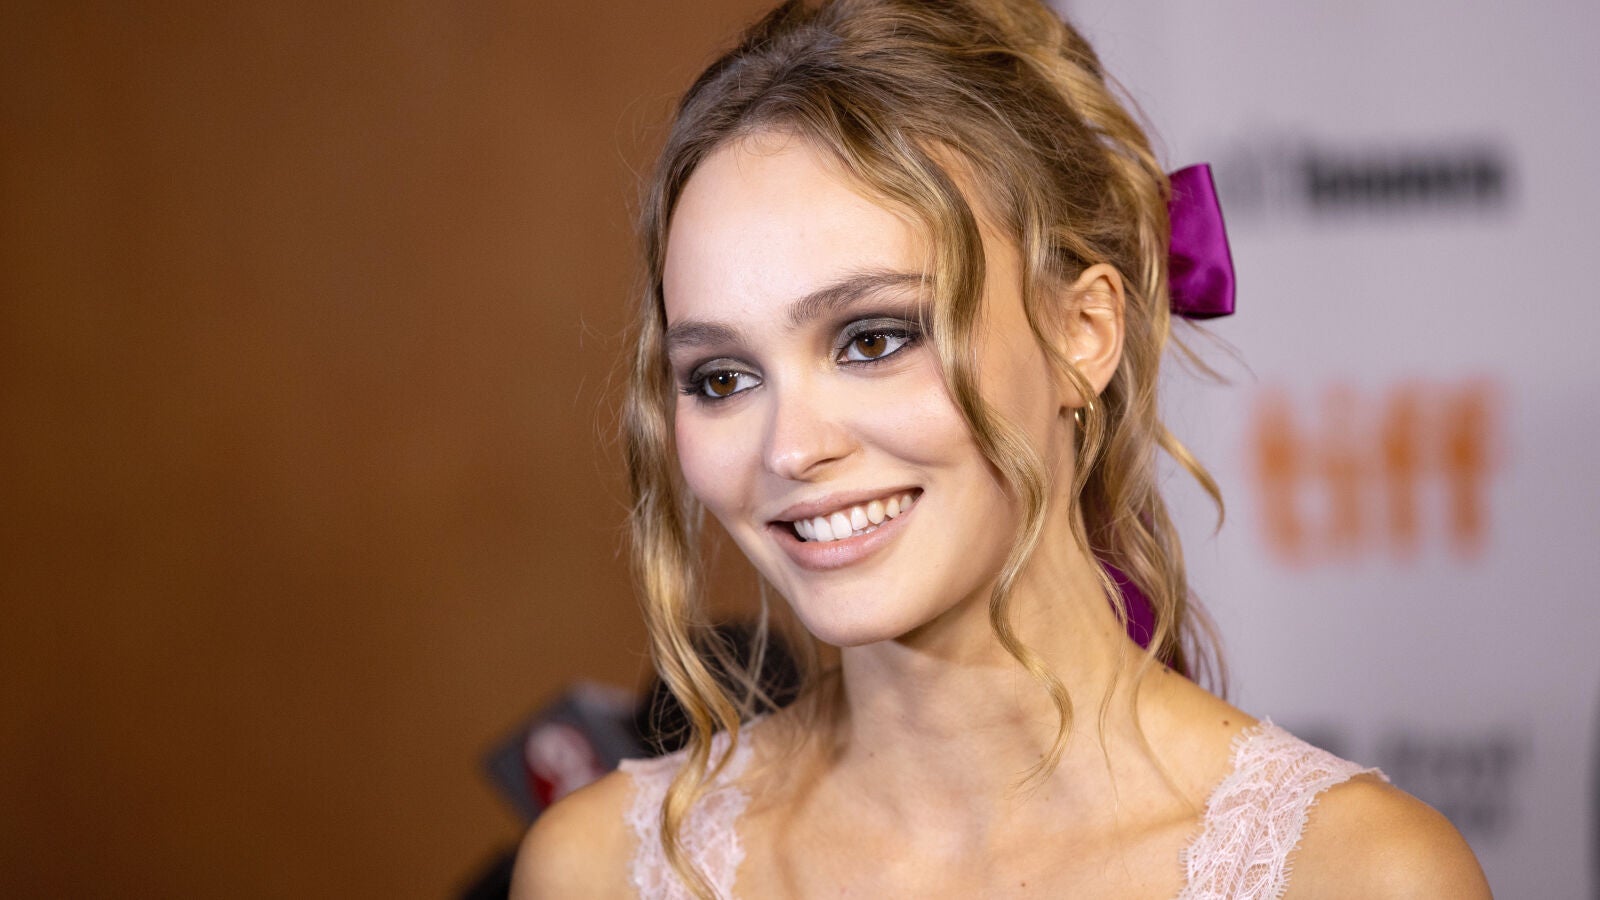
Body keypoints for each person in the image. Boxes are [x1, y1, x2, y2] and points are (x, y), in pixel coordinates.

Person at [512, 0, 1491, 896]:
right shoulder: (598, 871)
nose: (791, 450)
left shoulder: (1357, 874)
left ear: (1082, 334)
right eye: (723, 378)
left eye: (873, 340)